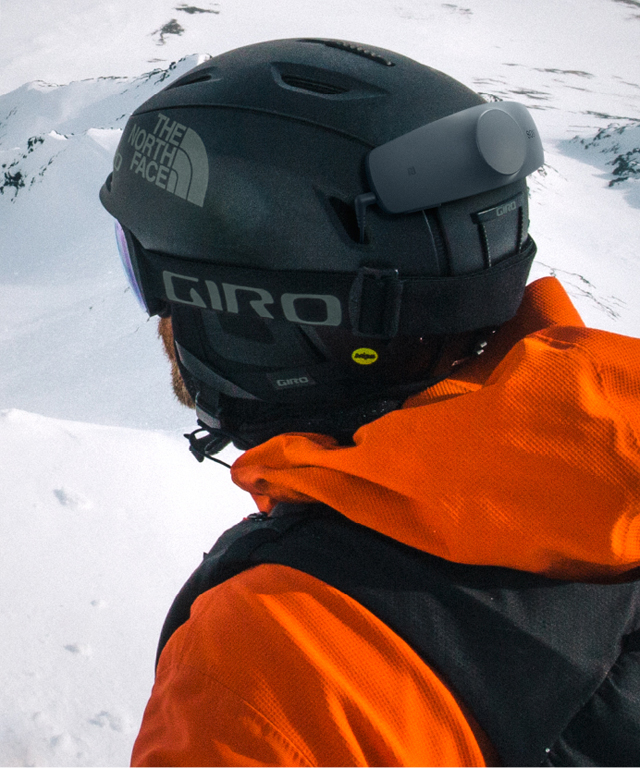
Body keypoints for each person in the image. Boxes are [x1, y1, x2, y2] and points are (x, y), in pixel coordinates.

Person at [100, 39, 640, 767]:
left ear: (250, 312)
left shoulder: (266, 664)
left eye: (148, 275)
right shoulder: (613, 440)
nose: (156, 321)